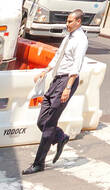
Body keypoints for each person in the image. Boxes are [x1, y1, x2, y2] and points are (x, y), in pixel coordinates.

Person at [24, 10, 88, 174]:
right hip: (56, 79)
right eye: (67, 21)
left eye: (70, 21)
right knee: (42, 121)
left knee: (49, 124)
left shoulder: (81, 40)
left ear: (78, 22)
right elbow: (59, 55)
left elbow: (76, 65)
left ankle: (39, 163)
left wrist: (67, 87)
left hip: (66, 81)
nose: (67, 24)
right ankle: (60, 137)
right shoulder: (69, 36)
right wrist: (45, 71)